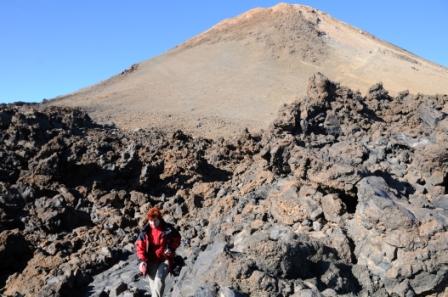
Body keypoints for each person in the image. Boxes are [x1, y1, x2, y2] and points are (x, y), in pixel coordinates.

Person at [135, 207, 181, 297]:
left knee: (158, 280)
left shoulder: (168, 229)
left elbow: (177, 239)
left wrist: (171, 248)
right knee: (153, 286)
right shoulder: (145, 232)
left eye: (155, 220)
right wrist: (142, 261)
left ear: (159, 219)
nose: (153, 223)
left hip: (165, 259)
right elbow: (140, 247)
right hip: (151, 260)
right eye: (150, 221)